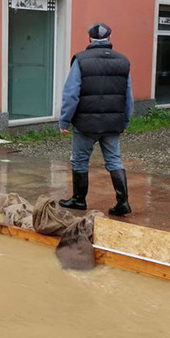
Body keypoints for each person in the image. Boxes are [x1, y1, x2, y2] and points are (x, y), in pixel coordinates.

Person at [58, 23, 133, 216]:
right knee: (114, 161)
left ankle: (79, 200)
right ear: (109, 38)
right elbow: (128, 96)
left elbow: (71, 94)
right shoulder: (123, 61)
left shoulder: (81, 60)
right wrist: (125, 121)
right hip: (112, 124)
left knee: (80, 161)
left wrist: (64, 120)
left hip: (85, 124)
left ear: (89, 39)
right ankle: (122, 202)